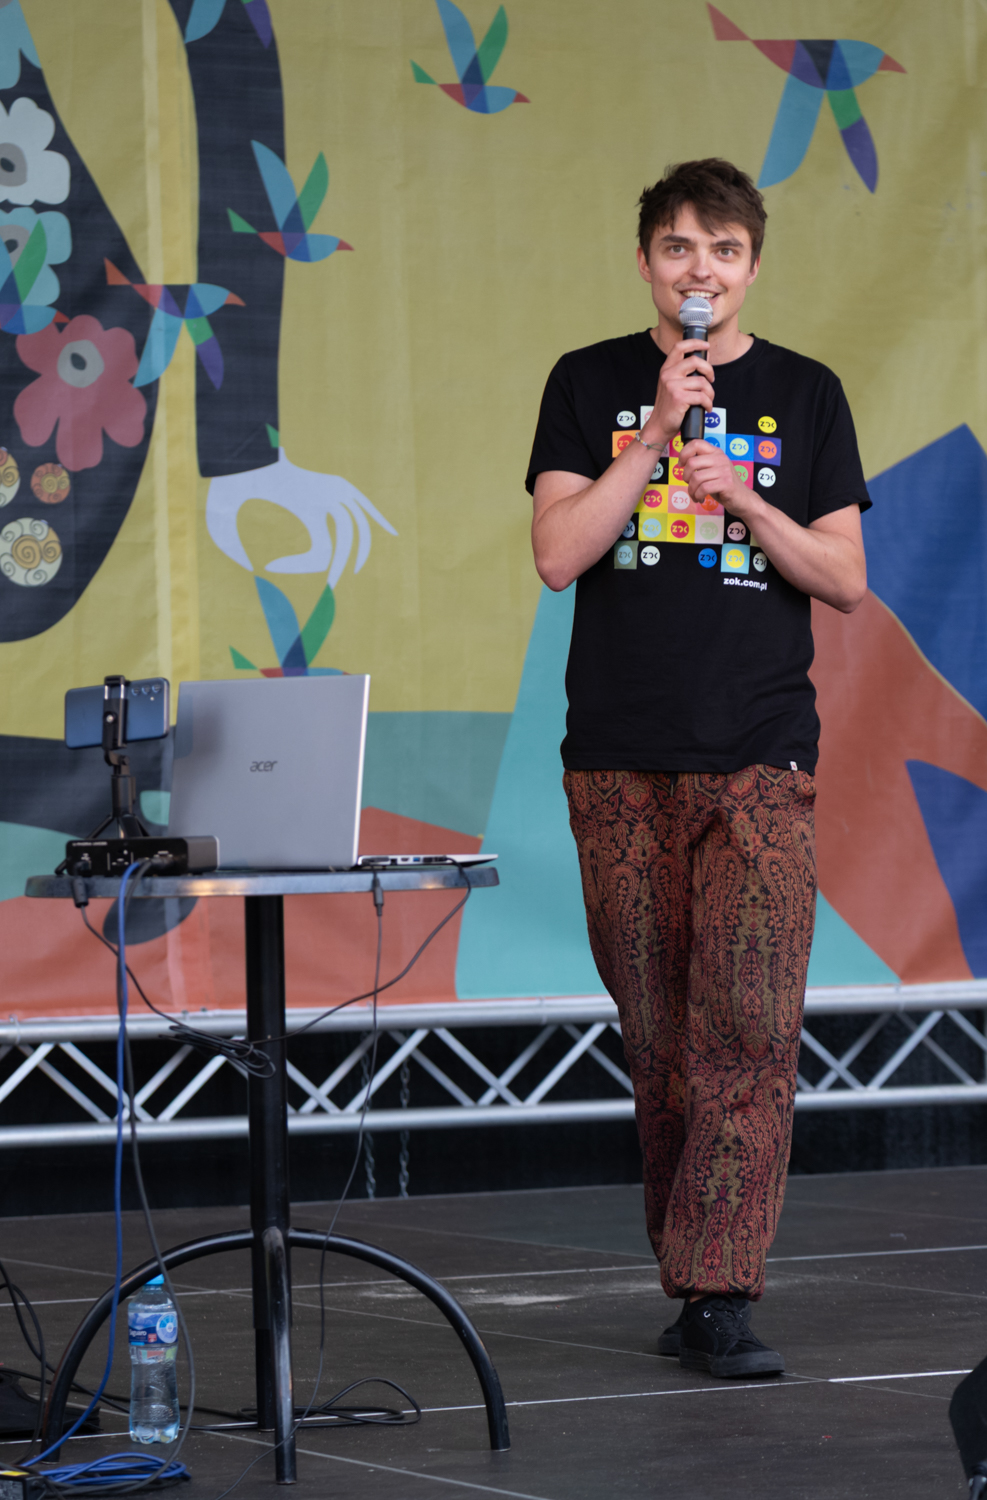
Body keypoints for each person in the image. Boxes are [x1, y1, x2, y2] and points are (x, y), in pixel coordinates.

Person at [526, 158, 869, 1379]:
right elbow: (558, 554)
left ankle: (722, 1292)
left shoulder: (806, 394)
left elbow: (845, 579)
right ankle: (693, 1277)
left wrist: (750, 507)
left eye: (723, 250)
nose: (700, 271)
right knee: (663, 1034)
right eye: (678, 248)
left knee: (751, 1024)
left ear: (752, 268)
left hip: (760, 756)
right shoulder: (589, 383)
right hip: (619, 760)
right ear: (646, 264)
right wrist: (659, 437)